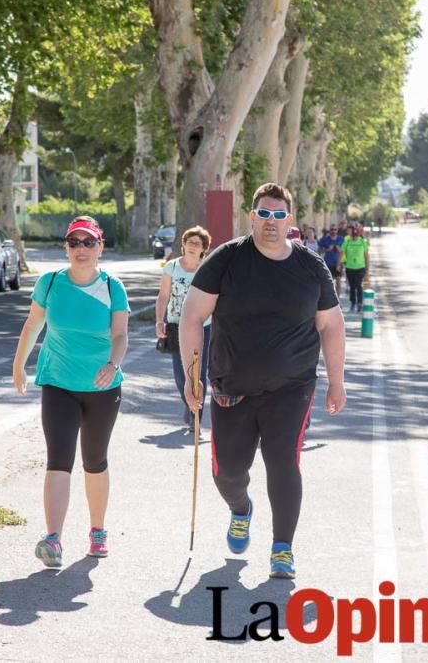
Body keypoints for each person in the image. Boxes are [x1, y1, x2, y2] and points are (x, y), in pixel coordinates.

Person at [180, 182, 347, 580]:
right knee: (228, 472)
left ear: (289, 220)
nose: (270, 222)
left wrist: (336, 381)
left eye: (278, 215)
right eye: (263, 215)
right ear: (251, 216)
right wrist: (192, 376)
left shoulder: (311, 267)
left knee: (284, 462)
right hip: (230, 387)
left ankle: (282, 549)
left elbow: (332, 324)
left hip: (293, 386)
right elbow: (191, 317)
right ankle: (241, 509)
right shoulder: (226, 259)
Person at [12, 216, 130, 568]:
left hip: (102, 387)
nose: (81, 249)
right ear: (66, 247)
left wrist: (112, 363)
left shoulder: (112, 286)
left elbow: (121, 334)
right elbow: (33, 324)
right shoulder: (49, 284)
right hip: (58, 383)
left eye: (88, 242)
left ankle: (97, 530)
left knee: (95, 461)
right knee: (58, 460)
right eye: (74, 242)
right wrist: (19, 365)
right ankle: (53, 538)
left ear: (100, 247)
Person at [155, 226, 212, 427]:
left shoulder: (207, 268)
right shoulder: (171, 267)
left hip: (202, 325)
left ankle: (196, 419)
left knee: (199, 372)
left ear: (203, 248)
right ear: (183, 245)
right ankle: (188, 403)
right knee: (180, 373)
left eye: (197, 243)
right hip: (175, 325)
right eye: (189, 242)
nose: (192, 246)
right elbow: (163, 297)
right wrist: (159, 320)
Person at [342, 226, 369, 313]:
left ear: (358, 235)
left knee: (359, 285)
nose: (354, 237)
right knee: (352, 287)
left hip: (360, 267)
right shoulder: (347, 242)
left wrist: (367, 267)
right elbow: (342, 253)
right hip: (350, 267)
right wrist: (339, 263)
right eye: (353, 236)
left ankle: (360, 303)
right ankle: (353, 302)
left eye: (356, 236)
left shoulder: (362, 242)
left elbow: (366, 255)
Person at [317, 225, 344, 298]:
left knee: (338, 281)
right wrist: (327, 250)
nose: (333, 231)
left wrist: (340, 250)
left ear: (337, 230)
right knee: (329, 282)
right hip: (327, 263)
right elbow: (319, 250)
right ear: (329, 230)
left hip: (338, 263)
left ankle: (338, 299)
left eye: (335, 229)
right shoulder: (325, 239)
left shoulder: (341, 239)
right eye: (332, 229)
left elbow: (344, 251)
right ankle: (330, 298)